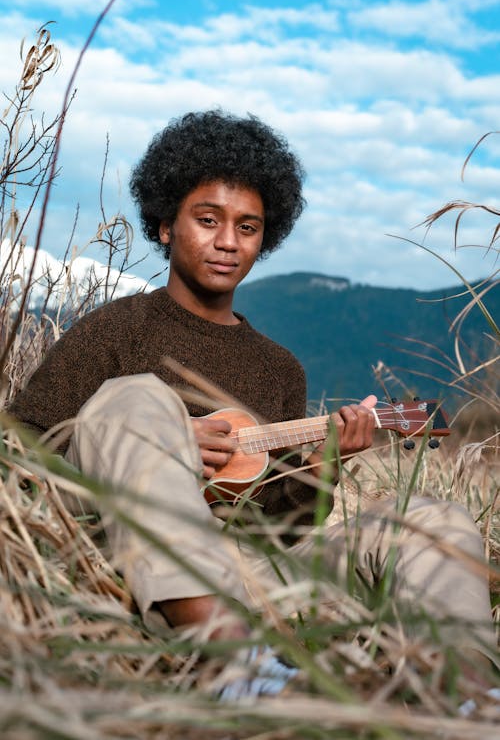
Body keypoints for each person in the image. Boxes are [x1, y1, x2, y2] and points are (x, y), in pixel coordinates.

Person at [7, 111, 498, 700]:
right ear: (165, 226)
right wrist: (156, 446)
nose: (227, 242)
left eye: (247, 227)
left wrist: (323, 467)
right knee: (136, 396)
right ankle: (235, 663)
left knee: (434, 520)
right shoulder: (113, 331)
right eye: (207, 220)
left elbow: (279, 528)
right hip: (132, 554)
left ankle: (468, 696)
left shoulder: (279, 368)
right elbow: (20, 452)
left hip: (250, 571)